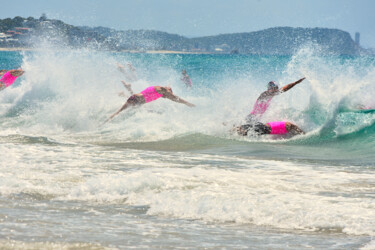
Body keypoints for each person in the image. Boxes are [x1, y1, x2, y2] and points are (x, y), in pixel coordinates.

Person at [104, 84, 195, 124]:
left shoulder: (160, 92)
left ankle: (124, 93)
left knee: (121, 112)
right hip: (136, 99)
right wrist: (187, 103)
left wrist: (185, 103)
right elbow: (174, 97)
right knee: (119, 112)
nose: (168, 96)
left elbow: (173, 98)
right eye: (168, 93)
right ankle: (104, 123)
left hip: (136, 100)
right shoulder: (161, 89)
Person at [235, 121, 304, 136]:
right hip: (264, 129)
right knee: (245, 131)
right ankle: (235, 129)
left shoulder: (287, 125)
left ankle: (233, 128)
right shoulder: (288, 126)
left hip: (263, 126)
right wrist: (302, 133)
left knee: (245, 127)